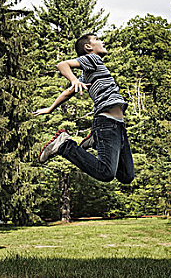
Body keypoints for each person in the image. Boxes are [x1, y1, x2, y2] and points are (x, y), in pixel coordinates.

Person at [33, 33, 135, 184]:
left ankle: (96, 139)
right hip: (106, 123)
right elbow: (62, 65)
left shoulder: (89, 73)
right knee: (105, 173)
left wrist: (50, 108)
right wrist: (73, 80)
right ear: (88, 47)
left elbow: (68, 93)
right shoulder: (92, 59)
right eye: (97, 40)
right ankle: (64, 145)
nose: (102, 41)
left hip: (117, 125)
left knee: (127, 176)